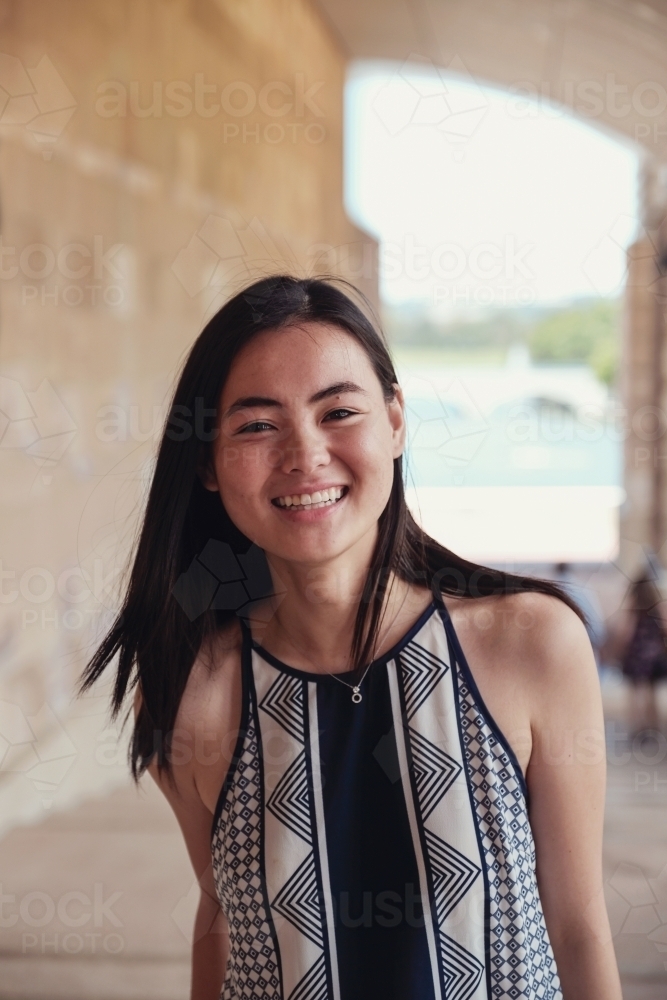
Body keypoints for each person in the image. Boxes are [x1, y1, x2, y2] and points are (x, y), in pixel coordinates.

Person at [81, 276, 621, 1000]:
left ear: (395, 422)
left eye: (337, 412)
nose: (305, 454)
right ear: (206, 461)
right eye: (256, 425)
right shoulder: (188, 690)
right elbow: (222, 918)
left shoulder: (533, 645)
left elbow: (577, 927)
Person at [620, 573, 667, 737]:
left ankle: (639, 728)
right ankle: (654, 727)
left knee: (636, 693)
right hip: (655, 656)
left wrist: (619, 649)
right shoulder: (658, 607)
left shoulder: (634, 608)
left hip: (638, 657)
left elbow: (627, 633)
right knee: (652, 693)